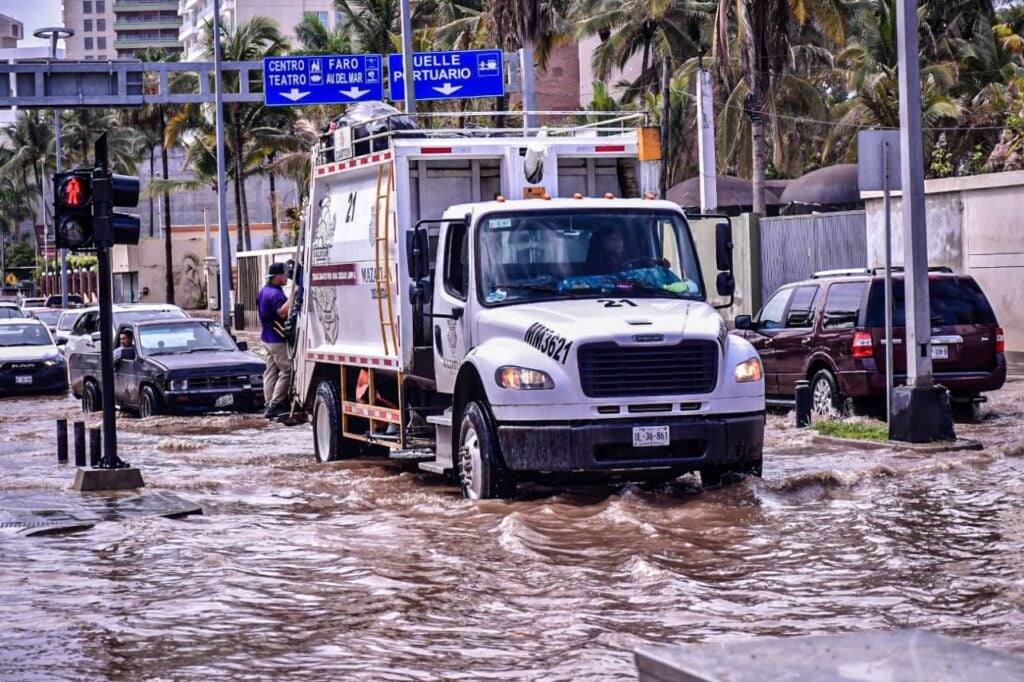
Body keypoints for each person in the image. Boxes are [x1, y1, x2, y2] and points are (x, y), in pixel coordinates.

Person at [258, 262, 293, 418]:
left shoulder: (264, 291)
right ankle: (276, 404)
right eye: (285, 274)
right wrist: (294, 295)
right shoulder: (276, 294)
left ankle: (268, 403)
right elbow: (282, 313)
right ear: (277, 276)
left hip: (266, 336)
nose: (287, 277)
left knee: (271, 371)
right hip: (276, 338)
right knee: (288, 369)